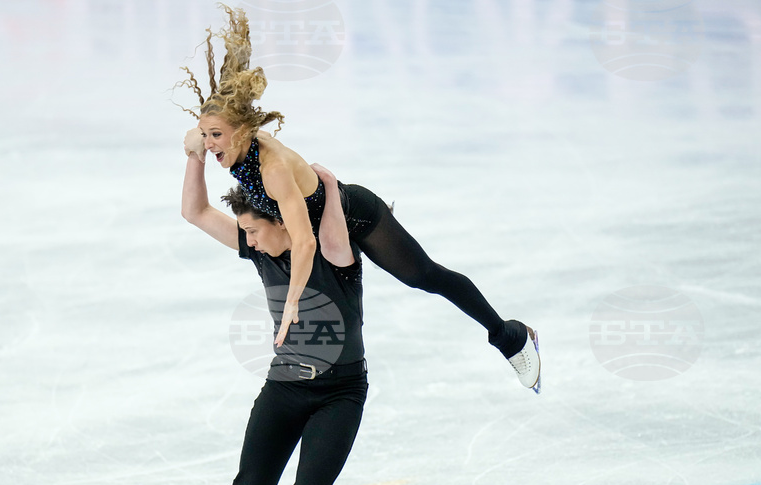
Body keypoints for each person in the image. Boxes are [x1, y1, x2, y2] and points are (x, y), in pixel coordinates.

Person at [177, 4, 541, 393]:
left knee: (423, 276)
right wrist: (196, 148)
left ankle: (510, 336)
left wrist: (292, 303)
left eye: (216, 135)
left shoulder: (274, 169)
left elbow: (305, 242)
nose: (208, 143)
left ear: (243, 130)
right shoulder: (232, 143)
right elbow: (197, 200)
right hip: (323, 223)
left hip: (355, 216)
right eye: (205, 134)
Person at [178, 132, 367, 485]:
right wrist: (195, 155)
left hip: (340, 395)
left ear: (283, 221)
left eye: (254, 231)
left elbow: (320, 199)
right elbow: (195, 212)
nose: (250, 242)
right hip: (283, 391)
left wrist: (328, 186)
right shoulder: (259, 250)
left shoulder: (333, 254)